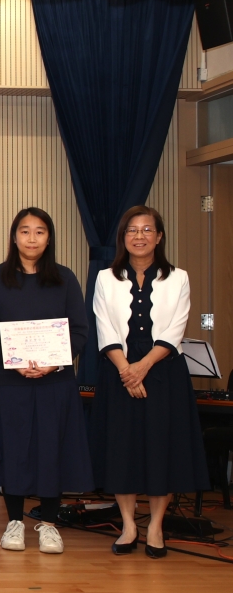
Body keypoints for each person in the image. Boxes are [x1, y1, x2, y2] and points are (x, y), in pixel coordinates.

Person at [89, 206, 208, 558]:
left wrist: (141, 368)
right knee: (121, 448)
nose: (139, 236)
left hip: (163, 370)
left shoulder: (179, 277)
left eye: (146, 230)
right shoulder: (105, 277)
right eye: (132, 230)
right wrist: (126, 370)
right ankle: (128, 525)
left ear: (158, 237)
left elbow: (175, 329)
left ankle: (155, 527)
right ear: (122, 237)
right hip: (118, 369)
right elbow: (104, 327)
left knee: (162, 448)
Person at [0, 208, 93, 554]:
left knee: (52, 450)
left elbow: (80, 331)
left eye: (39, 231)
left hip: (55, 382)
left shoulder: (64, 278)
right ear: (14, 237)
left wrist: (52, 363)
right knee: (13, 450)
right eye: (24, 231)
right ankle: (14, 522)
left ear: (49, 238)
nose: (32, 238)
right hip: (11, 382)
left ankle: (49, 524)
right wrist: (14, 363)